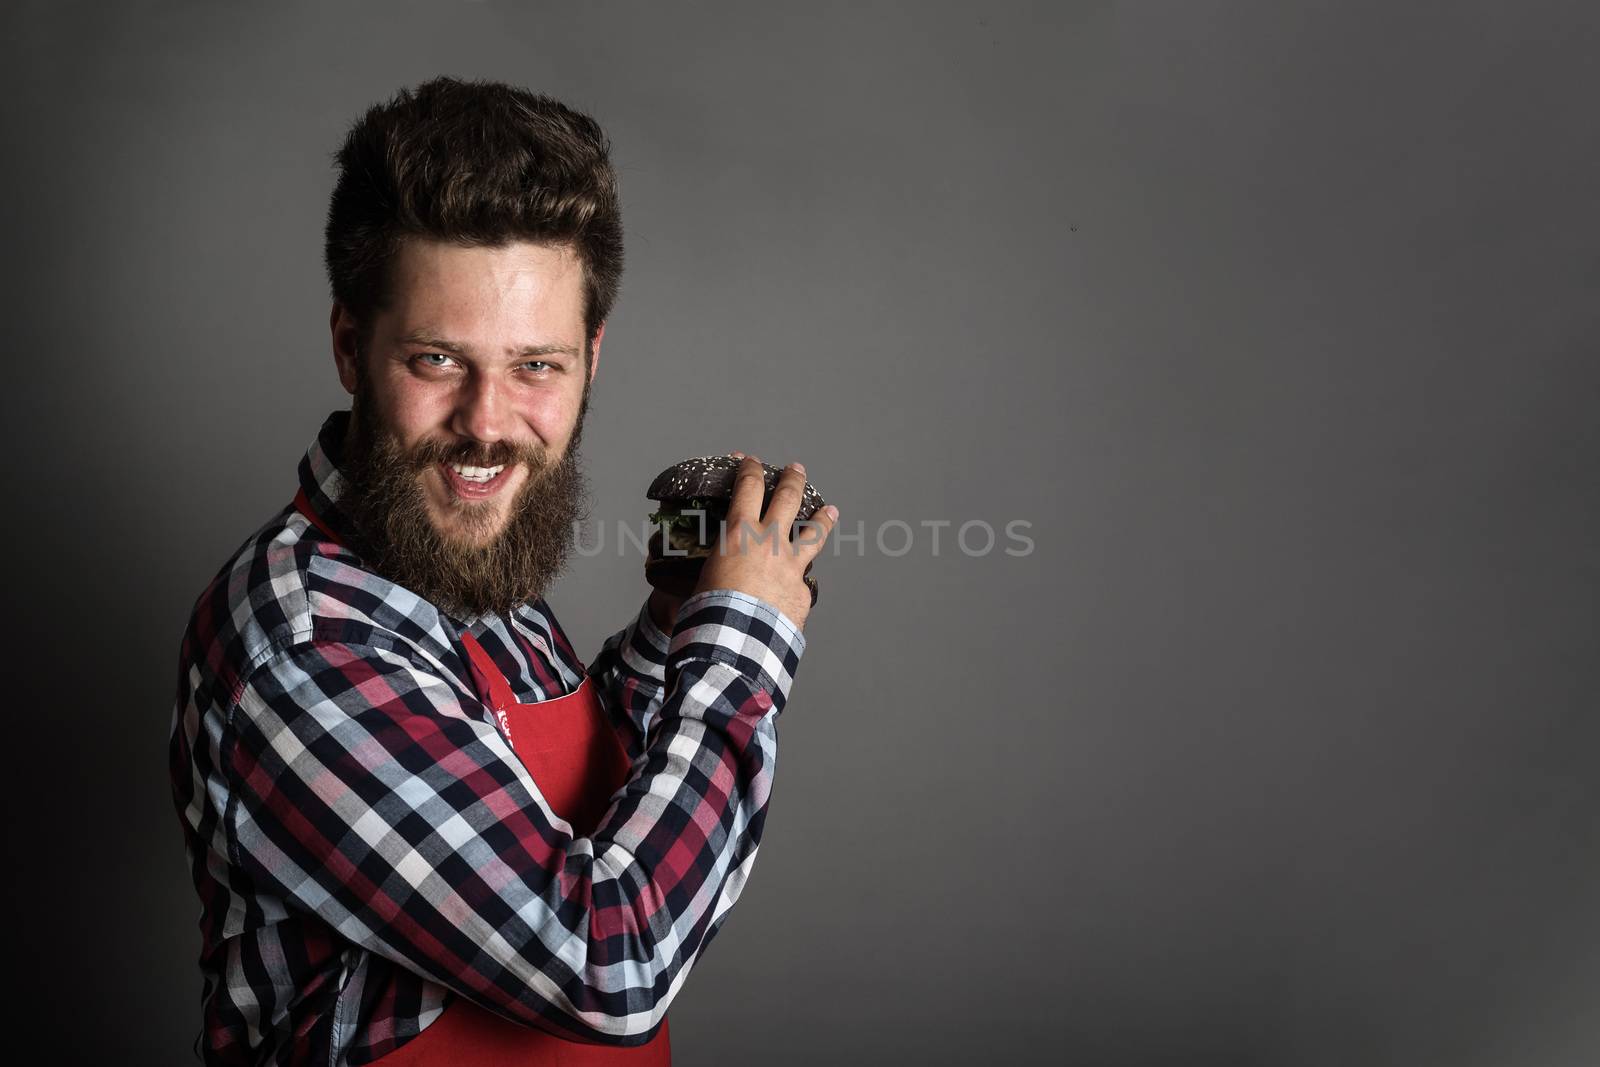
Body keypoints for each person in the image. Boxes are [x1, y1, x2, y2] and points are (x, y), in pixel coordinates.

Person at [167, 76, 837, 1066]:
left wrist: (678, 615)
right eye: (438, 360)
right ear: (352, 345)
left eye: (537, 366)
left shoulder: (459, 562)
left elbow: (560, 802)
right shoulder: (312, 643)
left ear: (591, 359)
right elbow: (608, 960)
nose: (487, 422)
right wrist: (740, 647)